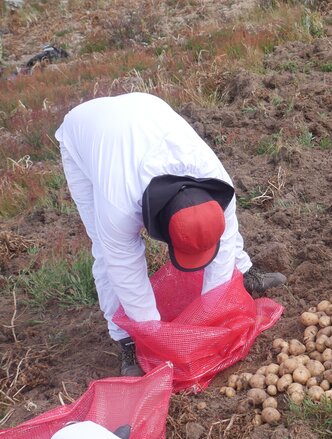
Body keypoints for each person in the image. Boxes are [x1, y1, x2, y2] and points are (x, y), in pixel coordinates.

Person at [55, 93, 287, 377]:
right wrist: (157, 343)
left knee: (225, 250)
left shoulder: (217, 182)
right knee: (106, 250)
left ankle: (245, 274)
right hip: (85, 133)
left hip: (145, 108)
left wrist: (215, 318)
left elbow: (224, 240)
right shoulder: (118, 206)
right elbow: (126, 271)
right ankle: (125, 339)